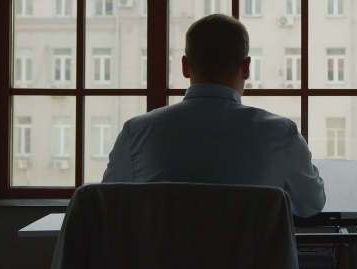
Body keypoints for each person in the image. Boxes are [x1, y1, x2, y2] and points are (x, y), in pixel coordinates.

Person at [102, 14, 326, 218]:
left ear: (185, 66)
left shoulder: (137, 133)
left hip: (161, 263)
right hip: (250, 263)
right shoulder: (280, 134)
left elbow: (108, 206)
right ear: (247, 67)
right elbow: (311, 205)